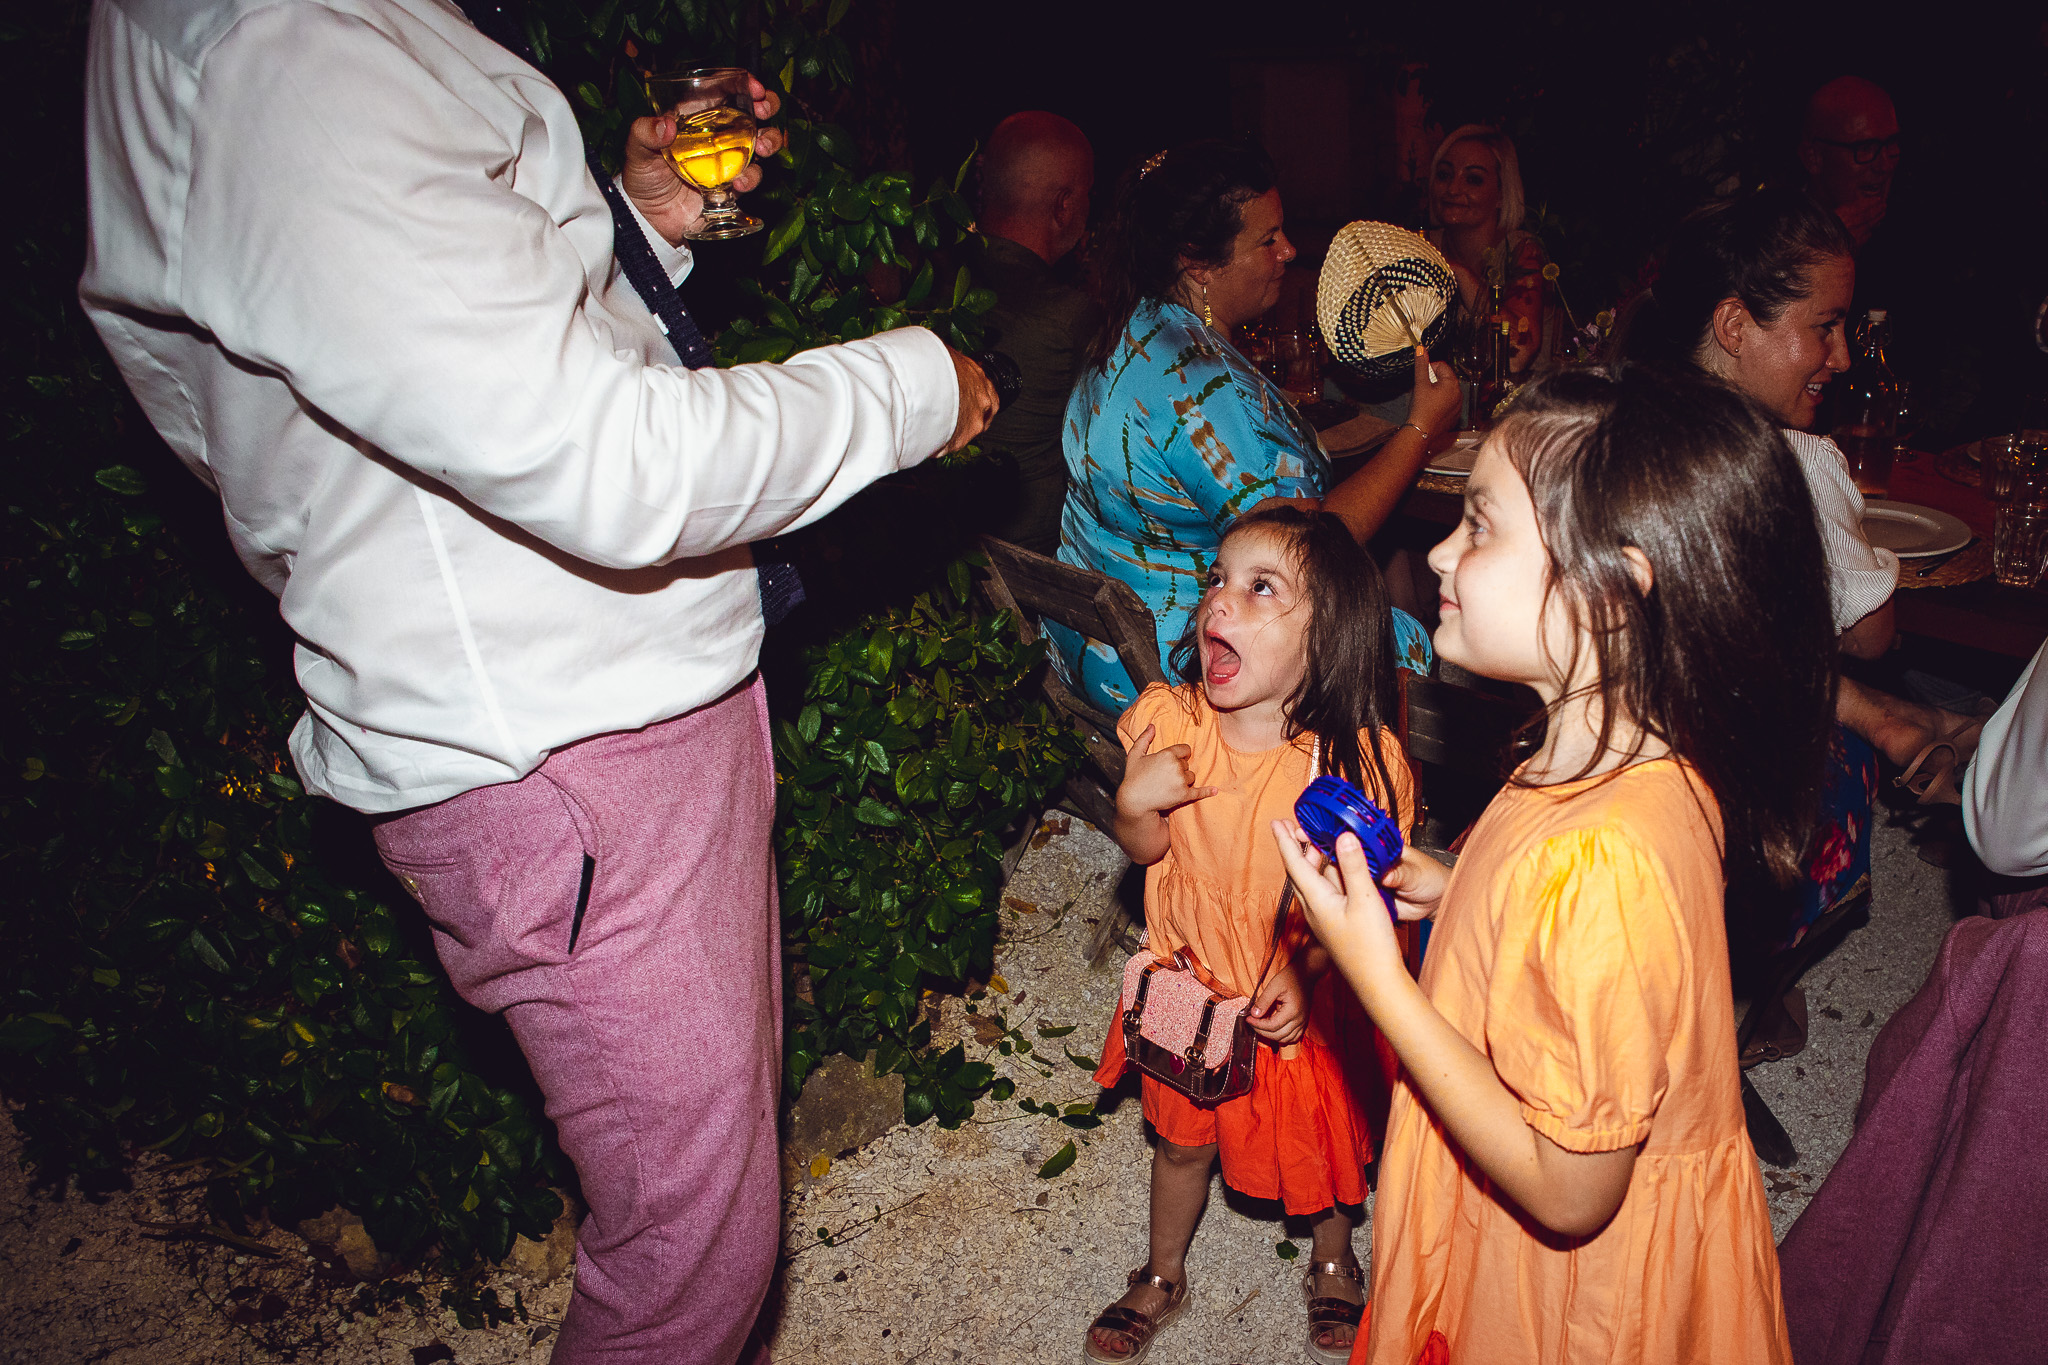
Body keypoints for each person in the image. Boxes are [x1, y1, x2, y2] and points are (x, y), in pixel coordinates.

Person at [78, 2, 995, 1363]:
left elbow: (357, 381)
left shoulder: (291, 38)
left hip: (579, 708)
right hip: (567, 747)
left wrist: (635, 222)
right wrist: (919, 387)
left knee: (693, 1211)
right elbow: (615, 462)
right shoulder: (282, 56)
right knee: (693, 1252)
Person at [1276, 365, 1832, 1363]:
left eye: (1480, 525)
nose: (1440, 549)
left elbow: (1570, 1191)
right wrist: (1455, 885)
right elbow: (1573, 934)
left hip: (1574, 1298)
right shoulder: (1625, 747)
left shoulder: (1604, 859)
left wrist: (1372, 975)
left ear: (1614, 588)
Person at [1617, 188, 1989, 1011]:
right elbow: (1871, 636)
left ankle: (1901, 723)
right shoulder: (1795, 459)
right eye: (1824, 326)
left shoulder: (1614, 415)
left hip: (1601, 746)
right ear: (1734, 326)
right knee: (1829, 745)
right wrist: (1852, 527)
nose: (1844, 355)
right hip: (1715, 807)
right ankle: (1748, 977)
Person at [1083, 506, 1417, 1365]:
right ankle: (1162, 1272)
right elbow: (1146, 849)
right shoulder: (1176, 725)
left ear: (1328, 633)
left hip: (1295, 982)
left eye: (1259, 586)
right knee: (1179, 1138)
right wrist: (1132, 804)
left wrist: (1304, 970)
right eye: (1217, 579)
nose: (1218, 602)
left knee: (1320, 1137)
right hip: (1194, 983)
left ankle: (1335, 1256)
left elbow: (1359, 893)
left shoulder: (1347, 766)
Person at [1054, 139, 1461, 714]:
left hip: (1102, 651)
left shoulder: (1134, 326)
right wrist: (1420, 429)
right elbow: (1312, 549)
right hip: (1182, 669)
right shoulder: (1194, 380)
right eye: (1267, 240)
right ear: (1196, 260)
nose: (1290, 251)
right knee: (1416, 633)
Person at [964, 112, 1101, 555]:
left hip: (933, 556)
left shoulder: (927, 281)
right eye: (1087, 195)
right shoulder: (1067, 314)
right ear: (1064, 205)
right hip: (1032, 572)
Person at [1425, 125, 1552, 377]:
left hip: (1519, 408)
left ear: (1502, 195)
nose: (1452, 189)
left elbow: (1517, 353)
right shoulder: (1422, 246)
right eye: (1444, 175)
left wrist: (1458, 273)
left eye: (1473, 179)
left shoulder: (1523, 251)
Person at [1799, 77, 1901, 252]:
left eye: (1891, 143)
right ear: (1813, 157)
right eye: (1865, 148)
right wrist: (1825, 247)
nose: (1884, 166)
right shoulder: (1773, 236)